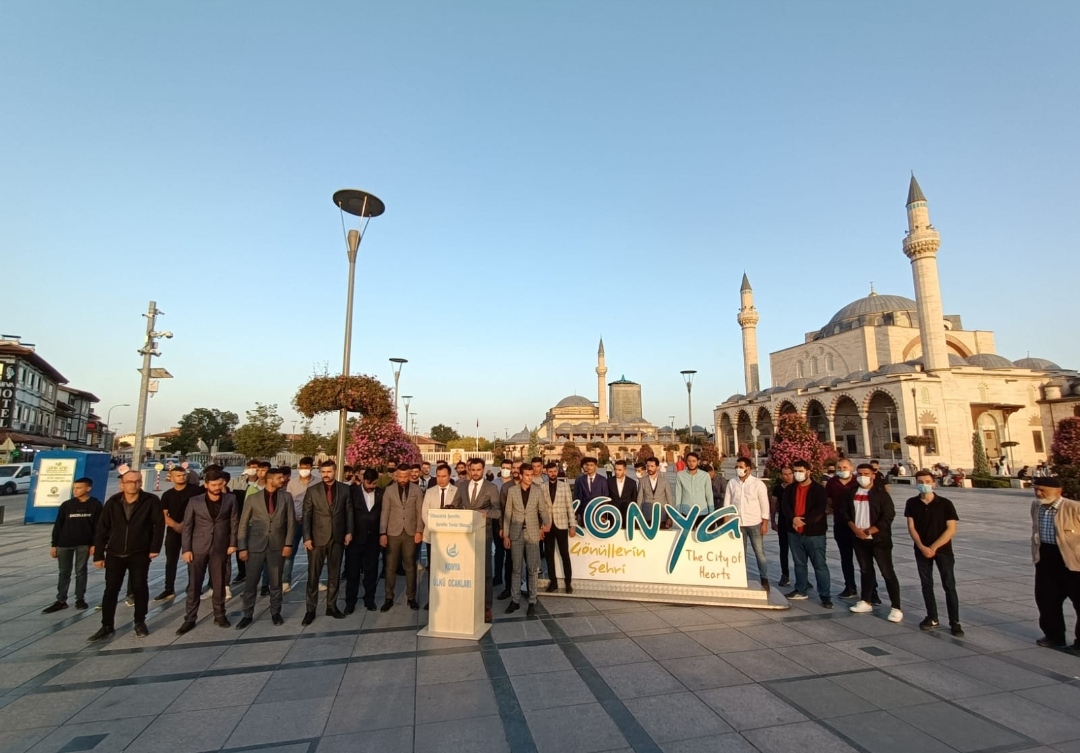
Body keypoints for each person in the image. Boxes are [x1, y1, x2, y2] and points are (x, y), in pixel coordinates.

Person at [88, 471, 164, 641]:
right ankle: (107, 625)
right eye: (130, 481)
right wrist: (98, 555)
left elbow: (159, 525)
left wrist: (154, 548)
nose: (134, 485)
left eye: (137, 481)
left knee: (139, 587)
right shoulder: (113, 502)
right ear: (122, 484)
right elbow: (102, 528)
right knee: (111, 589)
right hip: (115, 552)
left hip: (140, 552)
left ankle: (140, 622)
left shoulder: (151, 500)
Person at [838, 464, 903, 623]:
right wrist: (855, 529)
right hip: (858, 538)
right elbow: (844, 512)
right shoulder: (851, 492)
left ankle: (896, 607)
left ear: (873, 475)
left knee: (887, 572)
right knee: (865, 570)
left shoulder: (881, 494)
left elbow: (888, 516)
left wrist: (869, 531)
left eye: (866, 474)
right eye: (860, 474)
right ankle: (866, 600)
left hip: (879, 539)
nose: (862, 477)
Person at [176, 469, 238, 634]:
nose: (217, 488)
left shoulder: (230, 499)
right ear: (206, 485)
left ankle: (220, 615)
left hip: (220, 547)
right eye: (214, 485)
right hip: (198, 547)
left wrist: (233, 543)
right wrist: (186, 549)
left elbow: (234, 522)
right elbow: (187, 526)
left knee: (219, 583)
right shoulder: (195, 501)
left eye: (220, 484)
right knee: (194, 584)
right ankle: (190, 618)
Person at [905, 470, 962, 635]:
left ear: (933, 483)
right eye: (920, 482)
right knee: (926, 584)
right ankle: (932, 617)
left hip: (943, 550)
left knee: (949, 585)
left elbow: (951, 529)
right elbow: (911, 527)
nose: (924, 485)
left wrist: (934, 547)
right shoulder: (912, 503)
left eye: (927, 482)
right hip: (921, 550)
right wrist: (922, 547)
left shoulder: (945, 503)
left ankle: (955, 622)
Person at [236, 467, 294, 628]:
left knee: (276, 582)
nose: (283, 480)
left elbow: (291, 522)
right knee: (251, 583)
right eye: (279, 478)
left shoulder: (286, 497)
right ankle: (247, 614)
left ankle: (275, 612)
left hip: (277, 545)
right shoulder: (253, 498)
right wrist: (242, 547)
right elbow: (243, 524)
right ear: (270, 480)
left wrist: (288, 543)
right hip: (255, 545)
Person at [1030, 477, 1080, 649]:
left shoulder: (1074, 508)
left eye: (1043, 490)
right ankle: (1053, 636)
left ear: (1058, 491)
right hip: (1046, 561)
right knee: (1046, 600)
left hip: (1073, 563)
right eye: (1036, 489)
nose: (1038, 493)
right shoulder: (1036, 506)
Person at [302, 460, 353, 625]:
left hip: (337, 538)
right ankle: (310, 610)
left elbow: (349, 511)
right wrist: (307, 537)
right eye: (323, 472)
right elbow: (306, 515)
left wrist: (349, 532)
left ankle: (331, 606)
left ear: (335, 471)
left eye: (329, 472)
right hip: (317, 538)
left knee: (334, 574)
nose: (325, 475)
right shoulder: (312, 490)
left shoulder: (345, 489)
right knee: (313, 575)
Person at [44, 477, 102, 613]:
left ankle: (80, 599)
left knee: (81, 571)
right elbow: (58, 525)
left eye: (79, 488)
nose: (75, 490)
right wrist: (54, 544)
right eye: (74, 488)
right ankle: (61, 600)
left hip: (84, 544)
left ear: (88, 488)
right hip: (64, 543)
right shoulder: (67, 505)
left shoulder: (95, 505)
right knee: (64, 572)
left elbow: (99, 527)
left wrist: (95, 544)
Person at [502, 464, 552, 616]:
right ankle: (515, 600)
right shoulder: (512, 491)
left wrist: (546, 523)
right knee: (516, 569)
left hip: (532, 534)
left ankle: (532, 601)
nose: (530, 478)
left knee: (532, 569)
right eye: (527, 475)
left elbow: (542, 510)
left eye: (531, 475)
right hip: (516, 534)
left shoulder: (537, 490)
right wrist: (506, 535)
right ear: (521, 475)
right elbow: (508, 513)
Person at [781, 460, 831, 607]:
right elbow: (785, 506)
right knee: (799, 563)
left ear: (808, 472)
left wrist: (804, 521)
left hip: (814, 534)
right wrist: (793, 518)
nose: (797, 474)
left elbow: (819, 509)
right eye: (795, 471)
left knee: (819, 565)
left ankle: (825, 595)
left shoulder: (818, 489)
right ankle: (800, 589)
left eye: (800, 471)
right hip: (794, 533)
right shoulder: (790, 489)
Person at [461, 457, 500, 623]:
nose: (475, 473)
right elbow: (455, 506)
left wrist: (486, 514)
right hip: (464, 535)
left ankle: (486, 607)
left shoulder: (491, 487)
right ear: (469, 470)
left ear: (483, 470)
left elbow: (498, 511)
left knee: (485, 572)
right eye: (473, 470)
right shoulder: (461, 486)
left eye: (478, 470)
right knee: (466, 571)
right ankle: (467, 603)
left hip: (484, 534)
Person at [379, 465, 423, 612]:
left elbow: (419, 512)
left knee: (410, 566)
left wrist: (419, 531)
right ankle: (388, 597)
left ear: (410, 476)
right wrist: (383, 533)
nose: (403, 479)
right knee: (390, 566)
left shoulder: (417, 490)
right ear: (396, 476)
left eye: (405, 476)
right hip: (393, 532)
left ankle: (411, 597)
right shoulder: (389, 490)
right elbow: (385, 511)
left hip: (410, 532)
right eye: (400, 476)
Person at [723, 456, 770, 589]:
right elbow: (727, 503)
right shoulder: (732, 483)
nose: (738, 469)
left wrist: (765, 523)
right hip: (737, 523)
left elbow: (764, 504)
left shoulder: (758, 484)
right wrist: (726, 521)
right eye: (737, 467)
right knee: (740, 552)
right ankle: (741, 577)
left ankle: (764, 578)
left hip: (754, 522)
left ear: (748, 469)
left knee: (759, 551)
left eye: (741, 467)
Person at [156, 466, 200, 602]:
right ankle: (169, 588)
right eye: (178, 476)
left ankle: (192, 586)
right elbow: (163, 515)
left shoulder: (195, 491)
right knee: (171, 561)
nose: (182, 477)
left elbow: (200, 510)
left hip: (193, 530)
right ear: (172, 478)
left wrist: (186, 525)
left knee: (192, 560)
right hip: (173, 531)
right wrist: (176, 525)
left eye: (183, 475)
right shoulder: (167, 495)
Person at [343, 468, 385, 613]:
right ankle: (350, 602)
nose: (371, 486)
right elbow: (347, 513)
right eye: (369, 483)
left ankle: (369, 600)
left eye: (374, 483)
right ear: (363, 480)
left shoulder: (381, 493)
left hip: (373, 540)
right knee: (352, 573)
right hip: (355, 539)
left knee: (371, 572)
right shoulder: (352, 492)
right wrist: (347, 533)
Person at [420, 465, 460, 608]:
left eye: (444, 476)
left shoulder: (457, 492)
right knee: (434, 569)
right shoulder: (430, 492)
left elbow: (459, 512)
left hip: (450, 538)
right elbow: (425, 512)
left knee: (450, 570)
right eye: (438, 476)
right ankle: (432, 599)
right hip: (433, 536)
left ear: (449, 476)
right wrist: (435, 527)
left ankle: (449, 598)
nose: (441, 479)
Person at [826, 458, 865, 600]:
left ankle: (871, 591)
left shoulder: (858, 481)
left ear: (851, 468)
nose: (842, 470)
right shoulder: (832, 482)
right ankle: (850, 587)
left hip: (858, 525)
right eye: (839, 467)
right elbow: (829, 500)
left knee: (864, 559)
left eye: (844, 467)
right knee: (846, 558)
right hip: (841, 524)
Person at [282, 456, 318, 592]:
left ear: (311, 468)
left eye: (306, 468)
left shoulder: (318, 482)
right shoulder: (292, 483)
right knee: (290, 551)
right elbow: (288, 502)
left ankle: (315, 581)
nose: (304, 470)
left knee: (313, 554)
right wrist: (291, 518)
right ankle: (286, 580)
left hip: (312, 522)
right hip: (296, 521)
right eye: (302, 468)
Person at [543, 461, 576, 593]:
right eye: (550, 471)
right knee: (549, 555)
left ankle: (568, 583)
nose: (553, 473)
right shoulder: (542, 486)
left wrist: (572, 525)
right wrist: (541, 526)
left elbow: (570, 507)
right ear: (546, 472)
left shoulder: (564, 486)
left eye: (554, 471)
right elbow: (540, 508)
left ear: (557, 471)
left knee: (564, 554)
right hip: (548, 525)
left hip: (561, 524)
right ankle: (553, 582)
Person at [770, 466, 794, 588]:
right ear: (781, 475)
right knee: (783, 550)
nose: (788, 476)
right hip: (783, 522)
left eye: (790, 473)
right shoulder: (778, 489)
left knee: (799, 551)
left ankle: (804, 577)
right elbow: (773, 505)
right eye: (785, 474)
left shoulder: (797, 487)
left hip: (795, 523)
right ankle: (785, 575)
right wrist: (773, 521)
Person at [637, 457, 673, 529]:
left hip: (662, 516)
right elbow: (639, 499)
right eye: (648, 466)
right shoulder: (642, 481)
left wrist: (670, 517)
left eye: (652, 466)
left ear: (657, 467)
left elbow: (669, 500)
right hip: (646, 516)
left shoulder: (665, 481)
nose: (649, 468)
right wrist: (638, 516)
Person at [675, 452, 713, 517]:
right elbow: (678, 494)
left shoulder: (705, 475)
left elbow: (709, 494)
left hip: (702, 511)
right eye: (689, 461)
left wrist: (711, 511)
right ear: (686, 462)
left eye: (694, 461)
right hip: (686, 512)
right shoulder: (680, 475)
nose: (691, 463)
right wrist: (678, 511)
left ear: (698, 462)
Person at [606, 459, 637, 523]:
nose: (616, 472)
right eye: (615, 469)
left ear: (625, 471)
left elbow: (634, 499)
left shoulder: (632, 483)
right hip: (613, 514)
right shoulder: (609, 481)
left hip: (627, 514)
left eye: (619, 470)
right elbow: (606, 497)